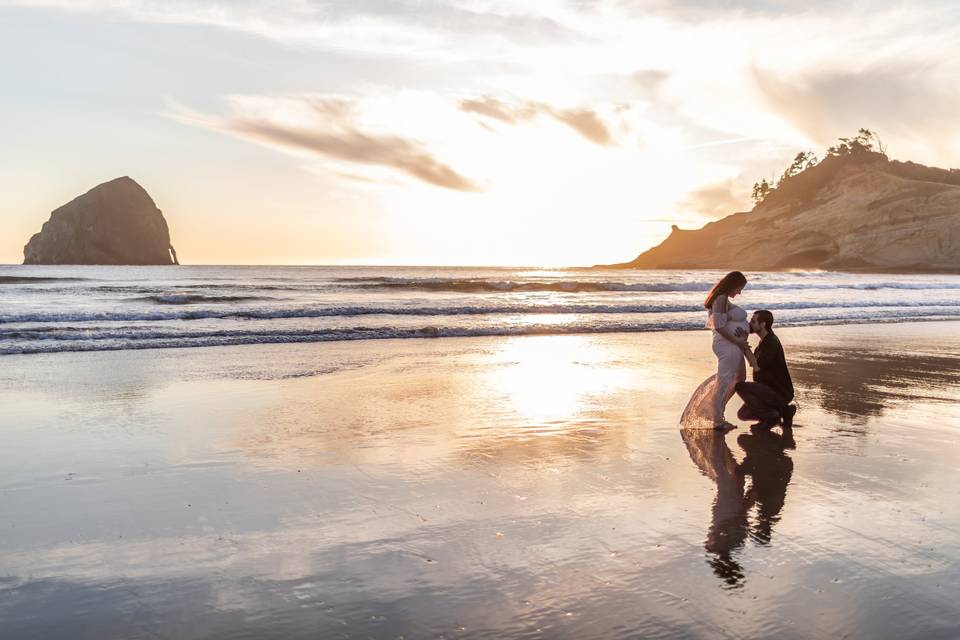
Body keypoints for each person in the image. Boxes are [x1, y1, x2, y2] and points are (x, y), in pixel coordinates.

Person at [681, 271, 758, 431]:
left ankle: (716, 413)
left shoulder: (723, 299)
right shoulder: (721, 298)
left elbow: (723, 320)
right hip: (728, 345)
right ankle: (716, 419)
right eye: (739, 288)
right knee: (724, 381)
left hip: (732, 344)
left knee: (738, 379)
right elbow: (718, 325)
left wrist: (740, 332)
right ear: (732, 284)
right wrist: (737, 340)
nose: (739, 292)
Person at [735, 310, 796, 429]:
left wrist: (742, 343)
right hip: (767, 391)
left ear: (763, 324)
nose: (749, 324)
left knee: (740, 387)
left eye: (753, 321)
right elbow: (753, 363)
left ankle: (772, 417)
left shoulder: (771, 342)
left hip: (779, 392)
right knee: (743, 414)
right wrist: (741, 344)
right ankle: (784, 411)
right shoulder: (763, 343)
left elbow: (756, 366)